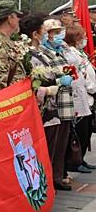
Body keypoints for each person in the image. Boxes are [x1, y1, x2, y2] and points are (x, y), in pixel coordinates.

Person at [19, 14, 69, 189]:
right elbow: (31, 84)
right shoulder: (26, 54)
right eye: (43, 30)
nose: (46, 34)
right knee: (42, 150)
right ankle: (41, 186)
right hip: (40, 109)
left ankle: (49, 183)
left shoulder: (41, 52)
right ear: (34, 33)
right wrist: (52, 88)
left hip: (51, 108)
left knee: (52, 148)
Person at [40, 18, 76, 190]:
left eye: (59, 31)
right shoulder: (43, 52)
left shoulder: (60, 51)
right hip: (53, 103)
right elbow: (45, 76)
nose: (58, 35)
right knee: (52, 144)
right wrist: (61, 79)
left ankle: (58, 176)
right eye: (54, 32)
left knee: (62, 142)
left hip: (66, 101)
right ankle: (51, 178)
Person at [63, 25, 96, 173]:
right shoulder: (70, 53)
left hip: (87, 96)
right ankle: (75, 162)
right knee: (80, 131)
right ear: (75, 38)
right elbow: (79, 74)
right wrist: (91, 87)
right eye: (83, 36)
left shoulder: (79, 52)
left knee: (87, 130)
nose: (86, 39)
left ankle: (81, 159)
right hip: (81, 95)